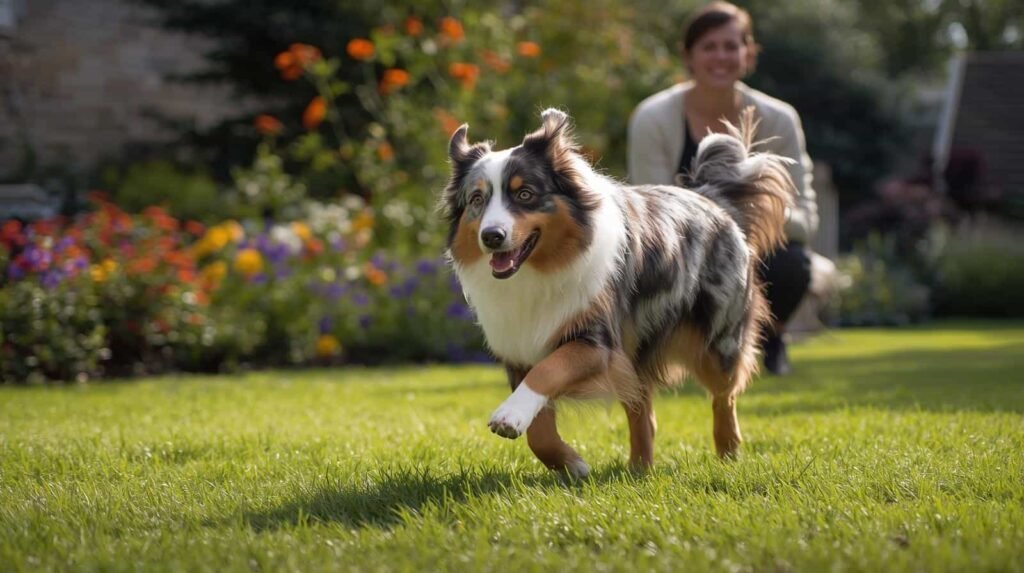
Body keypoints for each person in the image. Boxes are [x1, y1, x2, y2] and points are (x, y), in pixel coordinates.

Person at [627, 1, 818, 375]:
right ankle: (674, 346)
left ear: (749, 54)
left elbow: (805, 218)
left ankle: (769, 339)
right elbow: (647, 210)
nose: (721, 56)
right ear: (688, 57)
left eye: (732, 46)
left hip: (759, 247)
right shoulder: (652, 118)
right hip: (680, 251)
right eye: (709, 47)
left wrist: (746, 225)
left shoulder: (780, 118)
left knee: (792, 263)